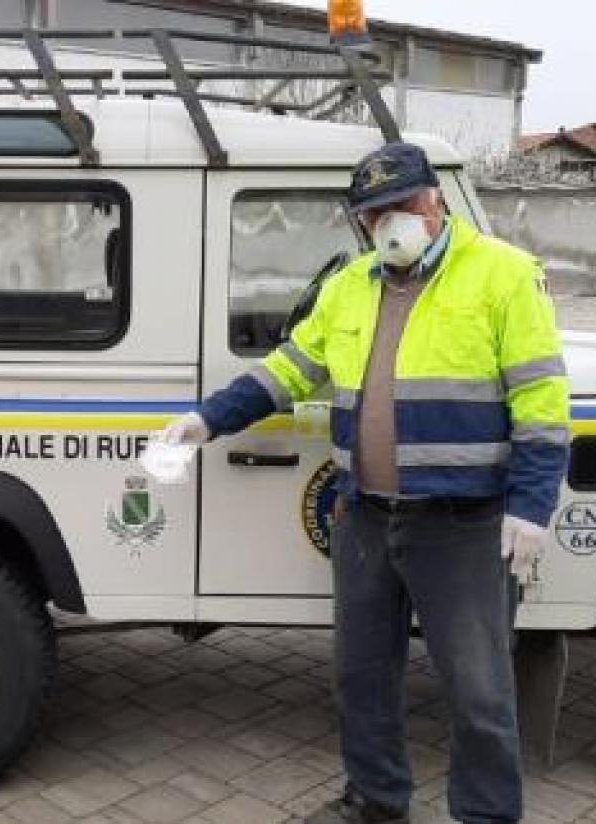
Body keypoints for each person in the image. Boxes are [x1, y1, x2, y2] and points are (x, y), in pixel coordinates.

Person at [161, 142, 570, 824]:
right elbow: (289, 370)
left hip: (464, 521)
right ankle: (375, 800)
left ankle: (486, 814)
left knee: (479, 688)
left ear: (436, 201)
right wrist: (208, 419)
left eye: (402, 204)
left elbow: (541, 403)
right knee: (362, 675)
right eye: (374, 213)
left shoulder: (502, 274)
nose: (390, 222)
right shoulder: (349, 285)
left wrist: (531, 507)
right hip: (367, 516)